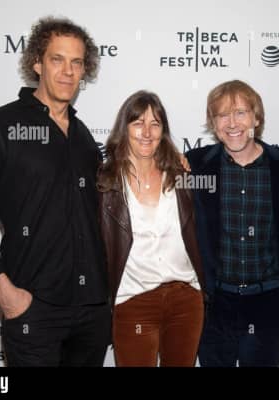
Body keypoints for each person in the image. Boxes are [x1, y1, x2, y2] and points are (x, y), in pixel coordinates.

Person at [0, 17, 111, 366]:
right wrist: (5, 293)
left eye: (77, 62)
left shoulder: (84, 137)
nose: (68, 71)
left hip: (92, 310)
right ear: (37, 63)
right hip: (33, 308)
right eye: (57, 59)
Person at [186, 80, 279, 367]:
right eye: (222, 115)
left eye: (240, 112)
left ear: (256, 118)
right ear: (213, 123)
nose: (232, 123)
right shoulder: (194, 165)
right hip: (214, 307)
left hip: (267, 306)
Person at [97, 90, 205, 367]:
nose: (146, 132)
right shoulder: (105, 183)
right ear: (124, 129)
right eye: (138, 123)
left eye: (155, 124)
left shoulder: (182, 176)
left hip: (186, 299)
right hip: (133, 301)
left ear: (163, 131)